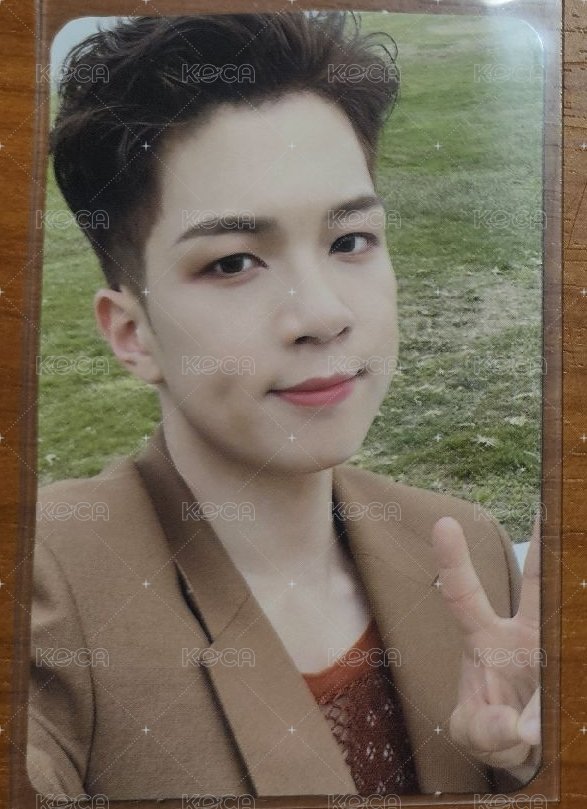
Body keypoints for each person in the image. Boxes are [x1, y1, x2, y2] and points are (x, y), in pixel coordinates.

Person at [27, 11, 542, 802]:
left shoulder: (462, 550)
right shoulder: (45, 585)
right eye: (234, 261)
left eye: (349, 241)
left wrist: (532, 769)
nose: (323, 314)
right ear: (132, 333)